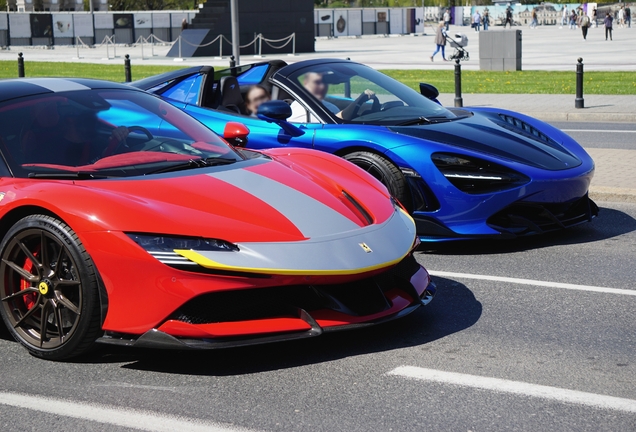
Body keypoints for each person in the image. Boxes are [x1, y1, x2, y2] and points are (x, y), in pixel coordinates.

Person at [288, 72, 375, 123]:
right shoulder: (299, 108)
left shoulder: (331, 107)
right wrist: (359, 101)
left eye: (324, 83)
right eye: (317, 82)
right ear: (306, 83)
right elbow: (331, 123)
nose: (322, 87)